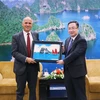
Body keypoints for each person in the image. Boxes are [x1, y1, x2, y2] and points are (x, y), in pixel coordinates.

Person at [57, 21, 87, 100]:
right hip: (68, 72)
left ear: (77, 29)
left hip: (78, 72)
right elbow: (67, 52)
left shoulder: (82, 40)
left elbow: (75, 53)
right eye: (69, 28)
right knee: (70, 95)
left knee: (80, 95)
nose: (71, 30)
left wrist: (64, 61)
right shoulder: (67, 40)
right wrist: (62, 50)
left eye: (73, 28)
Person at [11, 16, 39, 100]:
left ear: (32, 25)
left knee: (33, 90)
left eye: (29, 23)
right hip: (20, 68)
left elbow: (38, 48)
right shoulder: (16, 36)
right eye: (26, 23)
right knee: (20, 91)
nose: (27, 25)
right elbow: (14, 52)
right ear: (22, 24)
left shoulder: (35, 35)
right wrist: (26, 59)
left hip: (33, 68)